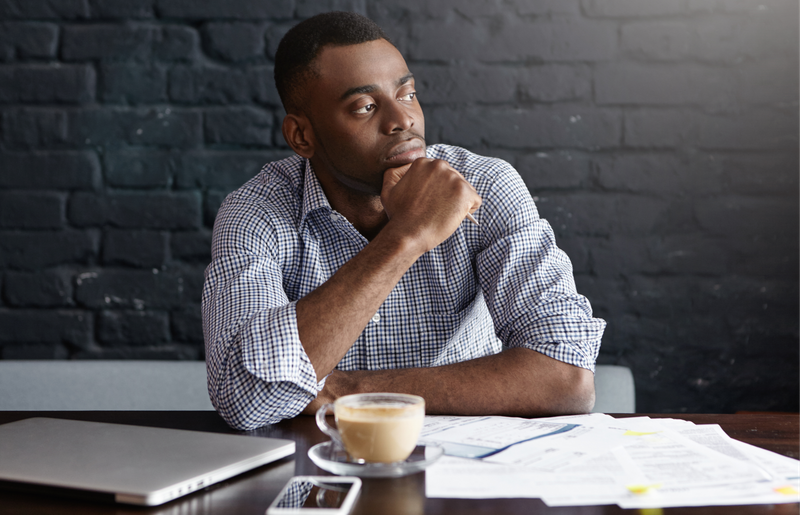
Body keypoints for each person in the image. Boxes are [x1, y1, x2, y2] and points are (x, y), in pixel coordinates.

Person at [202, 12, 606, 431]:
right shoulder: (257, 212)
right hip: (324, 472)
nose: (403, 120)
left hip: (469, 472)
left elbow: (568, 380)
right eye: (365, 106)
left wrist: (344, 390)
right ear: (302, 136)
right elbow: (245, 397)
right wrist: (406, 236)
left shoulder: (485, 185)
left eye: (407, 94)